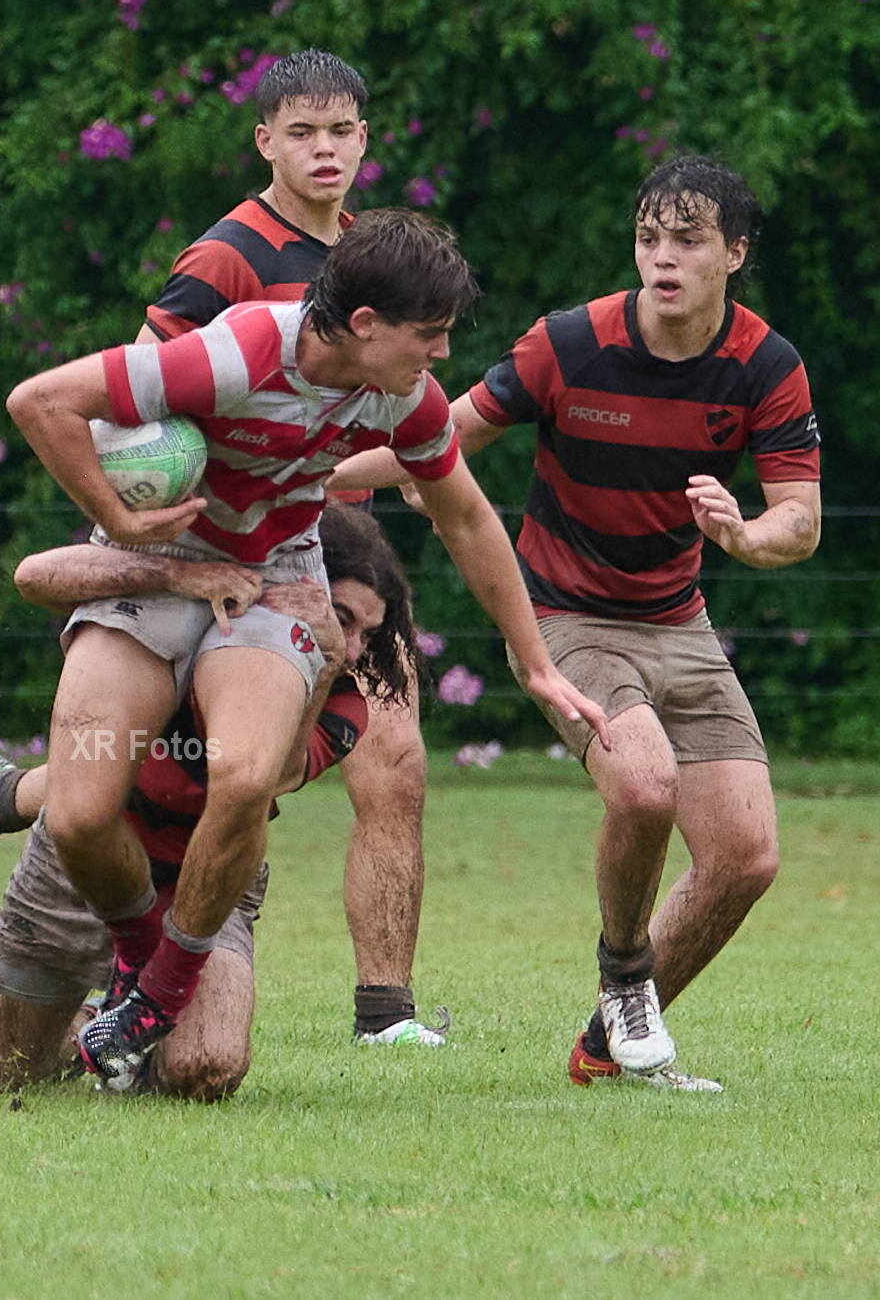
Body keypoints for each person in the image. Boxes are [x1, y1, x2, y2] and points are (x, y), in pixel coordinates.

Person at [3, 208, 608, 1087]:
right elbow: (41, 402)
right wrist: (122, 518)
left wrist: (538, 659)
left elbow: (467, 514)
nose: (438, 356)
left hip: (274, 575)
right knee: (81, 811)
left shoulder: (402, 394)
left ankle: (160, 990)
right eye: (428, 336)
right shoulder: (236, 354)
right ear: (365, 325)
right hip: (153, 560)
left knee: (247, 777)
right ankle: (140, 959)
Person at [334, 155, 820, 1091]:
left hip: (681, 625)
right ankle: (629, 978)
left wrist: (745, 534)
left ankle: (605, 1044)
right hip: (567, 619)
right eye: (650, 238)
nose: (663, 258)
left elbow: (800, 519)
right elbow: (442, 437)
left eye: (688, 240)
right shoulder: (569, 344)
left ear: (735, 253)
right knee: (643, 788)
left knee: (747, 857)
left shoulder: (765, 364)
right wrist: (309, 478)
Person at [137, 48, 441, 1048]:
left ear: (364, 138)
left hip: (332, 542)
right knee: (191, 769)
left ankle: (384, 1011)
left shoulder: (372, 253)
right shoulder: (224, 257)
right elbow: (147, 405)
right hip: (229, 552)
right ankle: (24, 814)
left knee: (393, 754)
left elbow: (402, 415)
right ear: (263, 140)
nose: (324, 149)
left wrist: (382, 471)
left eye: (341, 130)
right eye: (301, 132)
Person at [0, 506, 423, 1097]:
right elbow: (34, 576)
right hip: (86, 862)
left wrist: (325, 655)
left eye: (370, 633)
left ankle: (124, 1039)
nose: (356, 648)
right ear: (295, 586)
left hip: (207, 878)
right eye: (343, 619)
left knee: (204, 1069)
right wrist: (173, 575)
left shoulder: (343, 697)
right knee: (16, 1071)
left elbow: (275, 776)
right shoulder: (174, 625)